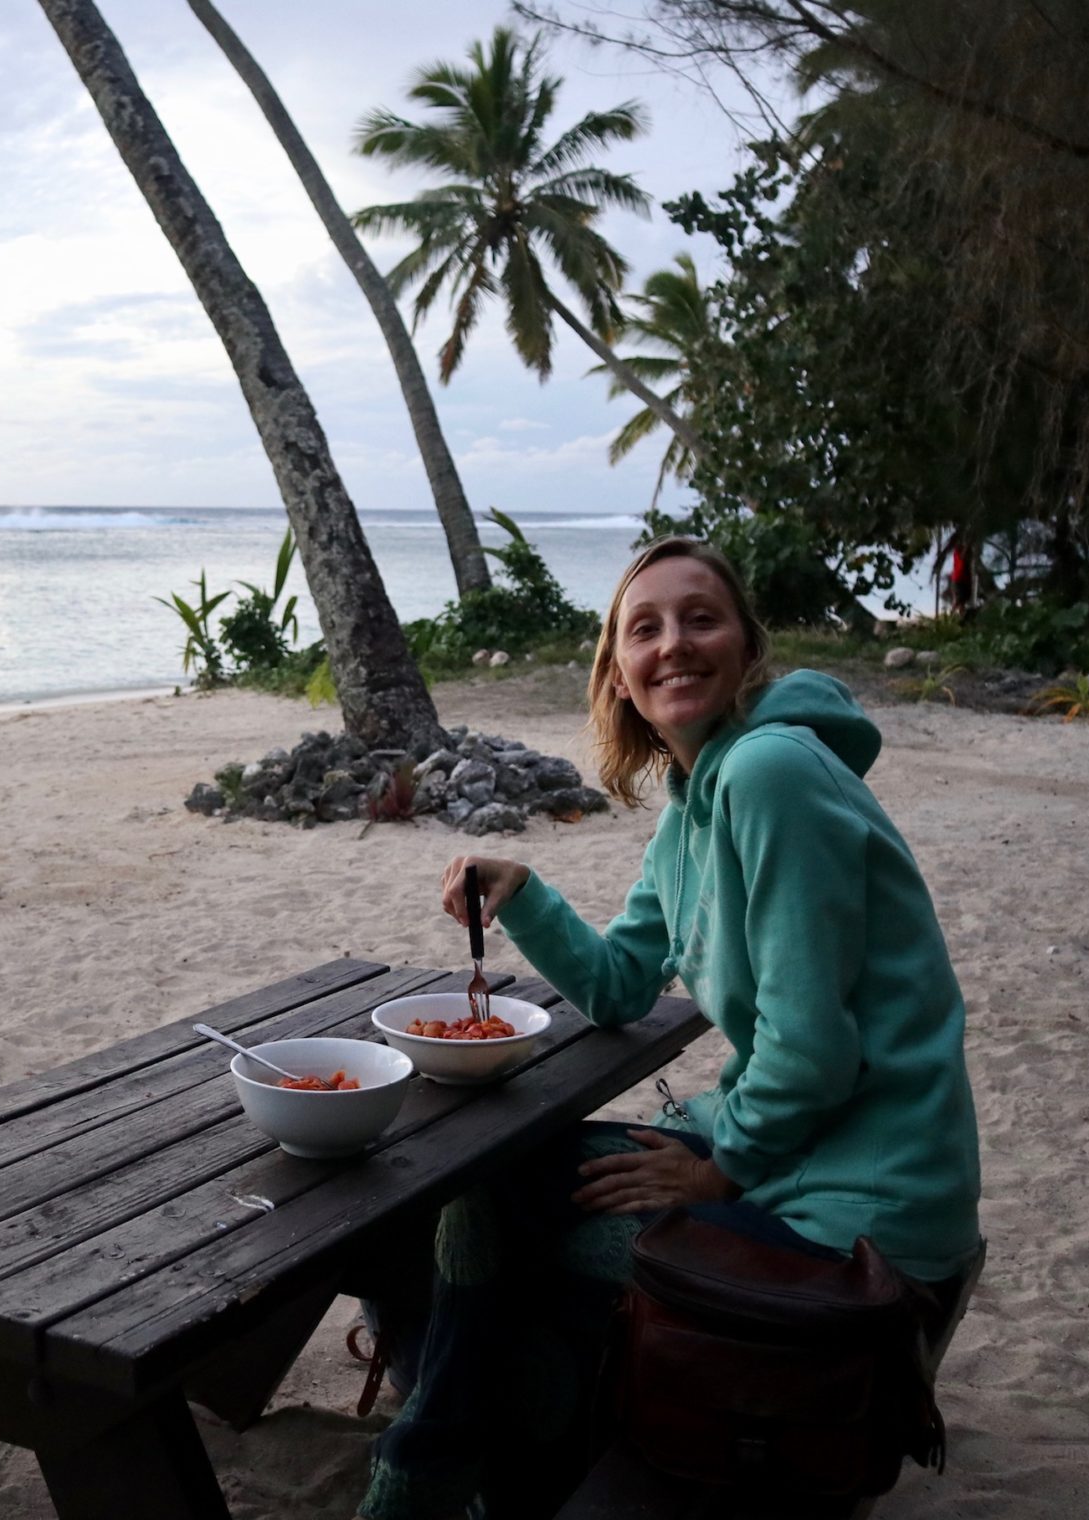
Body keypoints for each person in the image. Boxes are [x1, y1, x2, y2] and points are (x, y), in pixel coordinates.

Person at [356, 537, 983, 1520]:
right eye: (641, 628)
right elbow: (616, 984)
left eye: (700, 617)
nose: (672, 643)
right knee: (482, 1182)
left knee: (480, 1207)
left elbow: (812, 1048)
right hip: (794, 1162)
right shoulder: (692, 802)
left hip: (857, 1216)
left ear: (745, 649)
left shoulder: (769, 772)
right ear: (616, 673)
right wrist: (523, 894)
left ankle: (426, 1475)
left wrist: (715, 1163)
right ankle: (470, 1451)